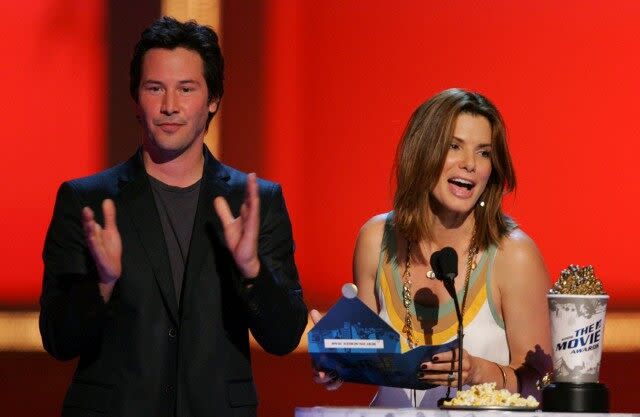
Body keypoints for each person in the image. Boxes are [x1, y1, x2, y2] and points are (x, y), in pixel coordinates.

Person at [39, 16, 307, 417]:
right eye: (155, 88)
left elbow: (284, 337)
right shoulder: (85, 202)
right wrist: (103, 283)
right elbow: (58, 339)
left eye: (186, 89)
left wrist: (251, 271)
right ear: (136, 97)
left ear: (213, 98)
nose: (169, 106)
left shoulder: (256, 202)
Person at [313, 88, 551, 407]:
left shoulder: (514, 256)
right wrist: (334, 360)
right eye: (455, 147)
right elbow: (365, 359)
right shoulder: (376, 240)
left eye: (483, 152)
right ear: (423, 152)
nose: (470, 164)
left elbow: (545, 384)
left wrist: (479, 371)